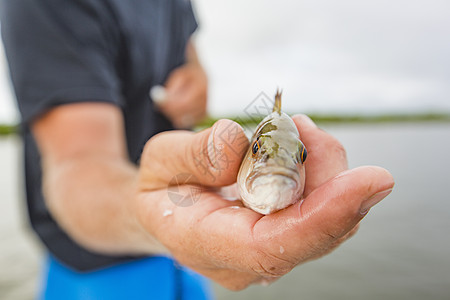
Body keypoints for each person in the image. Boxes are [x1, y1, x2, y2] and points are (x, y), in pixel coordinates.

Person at [1, 0, 395, 299]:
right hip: (96, 271)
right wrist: (155, 215)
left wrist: (196, 75)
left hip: (191, 255)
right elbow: (78, 166)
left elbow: (186, 48)